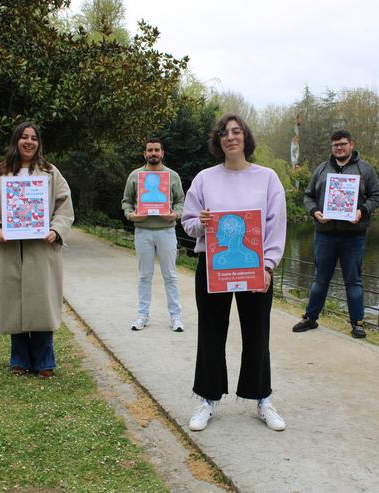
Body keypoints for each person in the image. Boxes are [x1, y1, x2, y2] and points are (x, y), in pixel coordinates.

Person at [182, 114, 287, 432]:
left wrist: (268, 266)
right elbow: (188, 223)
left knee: (258, 333)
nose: (231, 137)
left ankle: (263, 399)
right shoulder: (204, 179)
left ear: (246, 137)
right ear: (218, 141)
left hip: (256, 270)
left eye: (236, 131)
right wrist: (201, 223)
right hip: (213, 269)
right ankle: (207, 399)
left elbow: (275, 225)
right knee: (211, 332)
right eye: (224, 133)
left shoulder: (267, 178)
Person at [0, 121, 74, 378]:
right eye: (24, 137)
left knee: (41, 303)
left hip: (41, 249)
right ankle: (18, 358)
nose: (29, 142)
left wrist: (56, 229)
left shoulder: (51, 173)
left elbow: (64, 207)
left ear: (39, 143)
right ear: (16, 141)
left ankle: (44, 361)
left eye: (34, 138)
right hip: (9, 250)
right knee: (14, 304)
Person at [292, 130, 379, 338]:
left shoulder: (365, 169)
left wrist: (362, 210)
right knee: (320, 279)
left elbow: (378, 195)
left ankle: (357, 323)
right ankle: (310, 317)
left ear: (351, 144)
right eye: (335, 145)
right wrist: (315, 212)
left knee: (354, 281)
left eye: (342, 144)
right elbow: (308, 196)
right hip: (325, 234)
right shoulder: (322, 169)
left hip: (354, 235)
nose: (339, 148)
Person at [122, 138, 185, 332]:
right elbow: (126, 202)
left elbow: (180, 202)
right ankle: (142, 315)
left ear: (162, 153)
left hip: (166, 231)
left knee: (170, 276)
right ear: (144, 154)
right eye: (150, 150)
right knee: (144, 276)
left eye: (157, 150)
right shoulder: (135, 176)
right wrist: (130, 214)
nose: (153, 153)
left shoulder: (172, 176)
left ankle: (176, 317)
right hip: (143, 231)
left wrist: (175, 214)